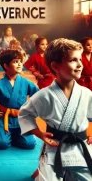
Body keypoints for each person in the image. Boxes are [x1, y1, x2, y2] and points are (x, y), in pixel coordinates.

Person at [19, 38, 92, 181]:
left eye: (80, 60)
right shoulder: (44, 95)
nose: (79, 65)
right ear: (56, 66)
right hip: (55, 149)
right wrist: (40, 134)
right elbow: (24, 114)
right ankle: (41, 168)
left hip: (81, 149)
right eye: (73, 60)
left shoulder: (87, 94)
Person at [0, 50, 38, 150]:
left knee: (30, 144)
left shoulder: (25, 82)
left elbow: (38, 95)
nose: (20, 64)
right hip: (4, 118)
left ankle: (13, 135)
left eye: (20, 61)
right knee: (1, 144)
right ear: (6, 66)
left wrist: (31, 110)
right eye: (15, 61)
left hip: (21, 118)